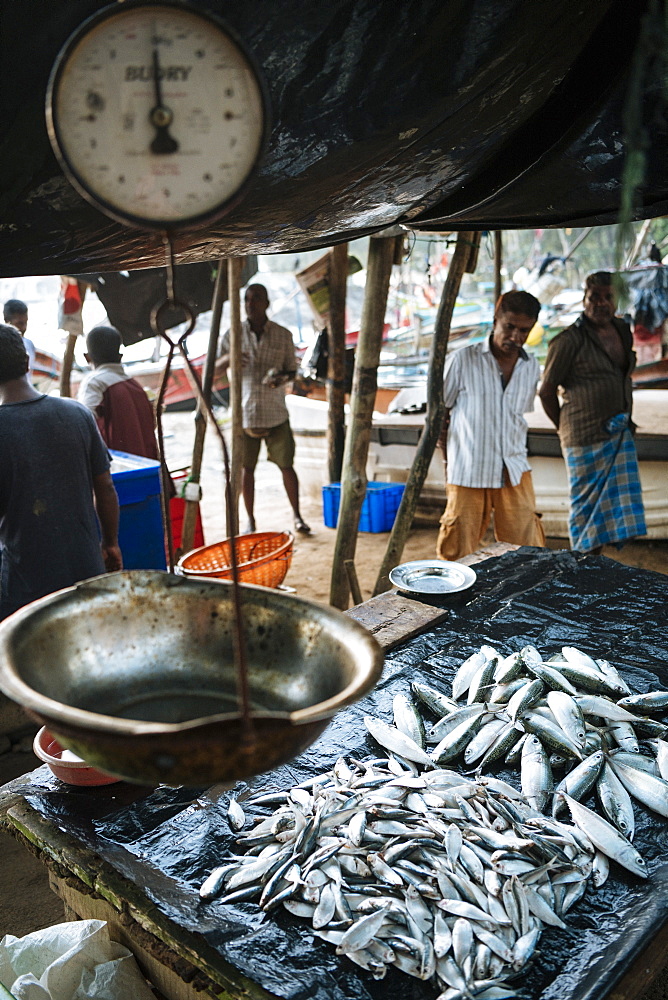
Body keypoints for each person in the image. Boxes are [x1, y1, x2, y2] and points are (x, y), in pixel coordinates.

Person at [0, 324, 122, 620]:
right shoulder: (77, 413)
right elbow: (105, 488)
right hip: (86, 573)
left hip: (25, 587)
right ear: (27, 363)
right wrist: (110, 543)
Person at [539, 271, 646, 553]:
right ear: (584, 299)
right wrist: (562, 429)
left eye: (608, 297)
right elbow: (546, 392)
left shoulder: (623, 330)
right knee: (586, 512)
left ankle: (596, 569)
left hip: (619, 433)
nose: (601, 303)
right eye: (594, 297)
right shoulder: (567, 341)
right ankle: (582, 569)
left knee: (613, 513)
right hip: (583, 438)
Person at [436, 290, 546, 560]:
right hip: (467, 469)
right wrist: (450, 463)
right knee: (456, 551)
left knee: (526, 549)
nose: (515, 337)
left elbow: (516, 417)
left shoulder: (530, 366)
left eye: (524, 330)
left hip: (514, 467)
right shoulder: (463, 360)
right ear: (495, 318)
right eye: (509, 327)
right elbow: (440, 415)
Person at [215, 283, 310, 534]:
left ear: (267, 303)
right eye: (246, 299)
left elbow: (292, 371)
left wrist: (281, 379)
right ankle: (251, 520)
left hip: (275, 412)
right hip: (244, 415)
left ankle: (298, 517)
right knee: (246, 470)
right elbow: (214, 369)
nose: (250, 303)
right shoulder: (232, 335)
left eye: (256, 298)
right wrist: (230, 358)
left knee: (286, 465)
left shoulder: (283, 335)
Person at [78, 325, 158, 459]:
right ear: (120, 356)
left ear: (87, 357)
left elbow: (84, 424)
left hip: (119, 466)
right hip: (148, 465)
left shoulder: (94, 383)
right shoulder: (136, 386)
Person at [3, 299, 35, 375]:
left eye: (26, 323)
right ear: (7, 321)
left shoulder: (29, 345)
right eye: (20, 323)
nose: (24, 328)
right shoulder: (3, 348)